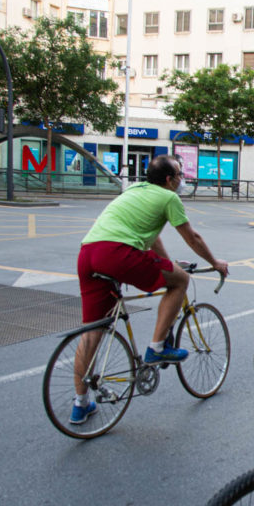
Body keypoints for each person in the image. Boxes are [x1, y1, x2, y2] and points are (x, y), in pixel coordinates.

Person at [71, 154, 229, 424]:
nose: (181, 181)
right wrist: (214, 262)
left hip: (88, 254)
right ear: (169, 180)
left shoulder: (135, 190)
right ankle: (156, 346)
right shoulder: (169, 198)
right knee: (181, 281)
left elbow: (152, 234)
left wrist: (167, 263)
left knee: (93, 331)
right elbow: (192, 237)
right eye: (179, 176)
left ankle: (81, 403)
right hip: (118, 253)